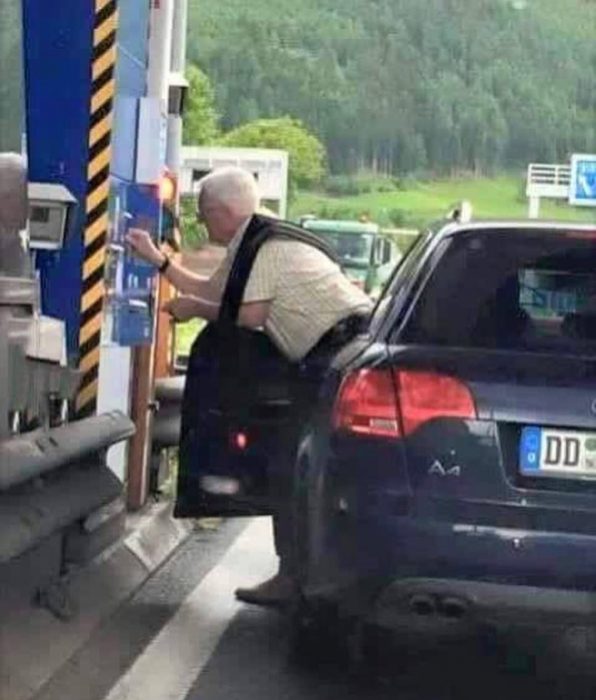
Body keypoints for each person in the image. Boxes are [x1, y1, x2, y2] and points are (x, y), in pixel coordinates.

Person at [126, 167, 373, 606]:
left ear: (223, 211)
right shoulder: (253, 243)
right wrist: (159, 260)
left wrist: (192, 310)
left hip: (334, 360)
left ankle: (295, 577)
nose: (203, 225)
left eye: (204, 215)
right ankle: (297, 574)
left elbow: (247, 316)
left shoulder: (266, 250)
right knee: (292, 463)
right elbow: (214, 289)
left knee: (293, 465)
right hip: (328, 359)